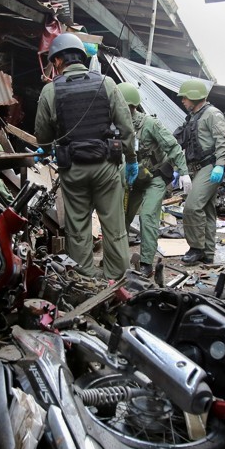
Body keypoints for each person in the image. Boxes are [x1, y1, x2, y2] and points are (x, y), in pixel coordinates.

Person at [34, 33, 137, 280]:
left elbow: (43, 136)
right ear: (81, 57)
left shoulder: (50, 91)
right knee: (113, 225)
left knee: (78, 227)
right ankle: (117, 276)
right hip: (106, 167)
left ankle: (84, 279)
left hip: (73, 169)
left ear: (58, 60)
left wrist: (45, 151)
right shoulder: (107, 84)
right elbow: (127, 128)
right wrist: (131, 160)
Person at [119, 82, 190, 276]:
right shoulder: (116, 125)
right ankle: (118, 259)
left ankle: (146, 263)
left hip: (155, 178)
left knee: (148, 216)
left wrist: (184, 172)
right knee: (121, 217)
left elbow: (173, 147)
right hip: (133, 179)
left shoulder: (151, 124)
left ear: (131, 107)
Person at [175, 79, 225, 266]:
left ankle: (196, 248)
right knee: (207, 210)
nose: (183, 100)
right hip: (196, 168)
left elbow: (224, 141)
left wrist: (220, 164)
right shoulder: (193, 116)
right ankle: (208, 253)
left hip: (210, 166)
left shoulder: (212, 114)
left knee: (192, 207)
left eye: (185, 97)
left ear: (194, 96)